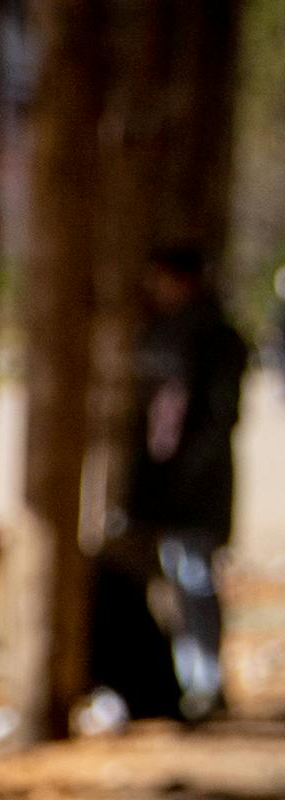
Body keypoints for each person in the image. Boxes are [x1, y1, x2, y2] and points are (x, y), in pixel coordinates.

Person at [126, 240, 247, 721]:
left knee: (196, 577)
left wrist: (188, 475)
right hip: (167, 481)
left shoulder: (216, 338)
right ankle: (189, 678)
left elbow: (219, 419)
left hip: (198, 484)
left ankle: (207, 680)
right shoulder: (164, 332)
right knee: (178, 578)